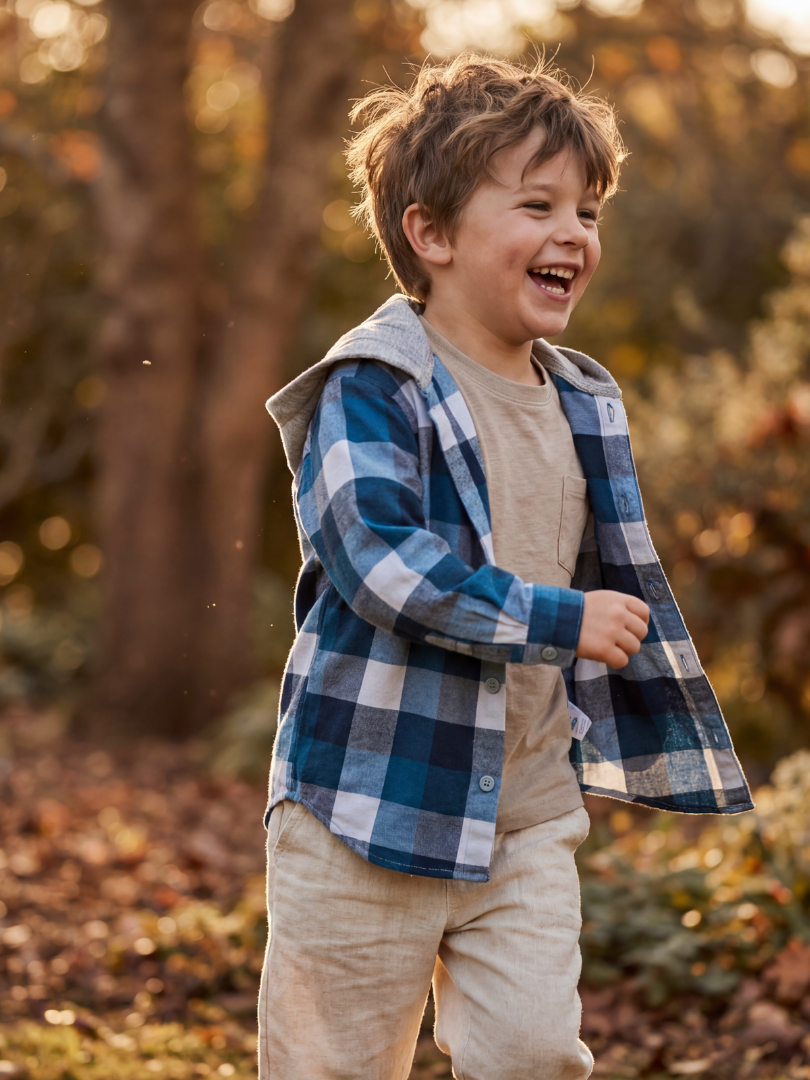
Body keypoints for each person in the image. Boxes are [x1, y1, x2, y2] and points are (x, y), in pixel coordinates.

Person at [259, 54, 752, 1080]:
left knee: (533, 1054)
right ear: (430, 235)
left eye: (590, 209)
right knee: (332, 1066)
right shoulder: (377, 385)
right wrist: (556, 618)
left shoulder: (584, 401)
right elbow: (379, 561)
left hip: (522, 812)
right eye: (539, 204)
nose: (575, 233)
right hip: (367, 806)